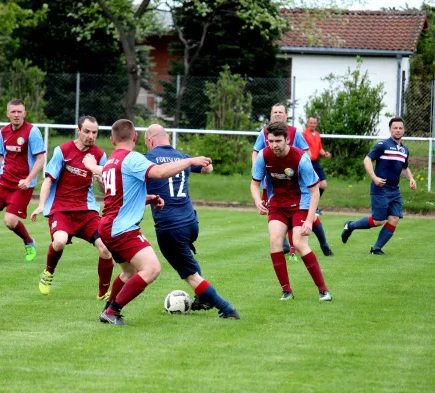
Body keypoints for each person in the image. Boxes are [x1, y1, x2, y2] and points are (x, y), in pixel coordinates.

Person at [82, 119, 212, 326]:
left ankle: (108, 308)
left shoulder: (112, 160)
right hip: (121, 228)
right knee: (151, 269)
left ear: (112, 140)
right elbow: (160, 173)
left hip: (107, 224)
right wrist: (189, 161)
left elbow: (121, 194)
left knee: (128, 272)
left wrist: (149, 198)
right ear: (135, 137)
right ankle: (113, 311)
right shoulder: (132, 158)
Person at [143, 124, 240, 319]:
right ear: (167, 139)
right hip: (190, 223)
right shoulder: (183, 157)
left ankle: (227, 309)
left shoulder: (148, 159)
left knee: (190, 275)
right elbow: (208, 168)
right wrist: (207, 164)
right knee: (186, 256)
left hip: (170, 226)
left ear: (151, 141)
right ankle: (202, 298)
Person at [30, 116, 114, 299]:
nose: (91, 136)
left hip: (87, 211)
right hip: (62, 209)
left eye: (94, 132)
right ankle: (48, 273)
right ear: (78, 130)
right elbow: (48, 180)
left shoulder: (99, 155)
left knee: (105, 247)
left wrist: (101, 181)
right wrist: (41, 206)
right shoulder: (63, 151)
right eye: (87, 131)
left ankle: (103, 293)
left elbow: (105, 187)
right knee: (59, 241)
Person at [251, 121, 332, 302]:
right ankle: (287, 291)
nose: (274, 145)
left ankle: (323, 290)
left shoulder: (300, 158)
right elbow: (254, 183)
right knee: (275, 240)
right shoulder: (264, 156)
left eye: (278, 141)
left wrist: (310, 220)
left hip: (300, 203)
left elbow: (314, 191)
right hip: (278, 205)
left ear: (287, 140)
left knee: (299, 243)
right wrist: (258, 201)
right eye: (271, 141)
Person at [252, 103, 333, 260]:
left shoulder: (295, 133)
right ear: (270, 115)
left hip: (297, 185)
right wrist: (256, 169)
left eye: (280, 112)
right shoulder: (264, 133)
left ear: (286, 115)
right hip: (275, 183)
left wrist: (296, 166)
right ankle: (289, 248)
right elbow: (256, 152)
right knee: (280, 214)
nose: (277, 115)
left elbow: (307, 153)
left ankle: (323, 244)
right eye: (274, 112)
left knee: (310, 216)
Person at [0, 99, 45, 262]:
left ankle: (29, 241)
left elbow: (40, 158)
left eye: (19, 112)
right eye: (13, 112)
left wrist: (29, 179)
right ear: (8, 114)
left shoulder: (32, 132)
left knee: (10, 221)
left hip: (22, 185)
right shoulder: (3, 132)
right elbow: (0, 155)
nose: (16, 115)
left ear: (24, 114)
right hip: (4, 181)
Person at [341, 117, 416, 255]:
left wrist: (411, 178)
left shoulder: (404, 150)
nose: (398, 130)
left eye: (400, 128)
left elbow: (404, 167)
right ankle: (350, 226)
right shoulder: (383, 145)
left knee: (394, 219)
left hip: (395, 190)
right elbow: (367, 160)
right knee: (378, 220)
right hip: (380, 188)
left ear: (403, 130)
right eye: (395, 128)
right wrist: (374, 178)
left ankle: (376, 249)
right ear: (390, 129)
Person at [302, 115, 331, 215]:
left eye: (314, 123)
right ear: (307, 123)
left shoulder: (317, 134)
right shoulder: (304, 134)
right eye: (311, 123)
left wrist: (324, 153)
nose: (313, 124)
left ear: (316, 123)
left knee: (323, 185)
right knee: (311, 185)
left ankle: (313, 205)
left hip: (316, 162)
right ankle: (310, 207)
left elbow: (319, 148)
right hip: (308, 162)